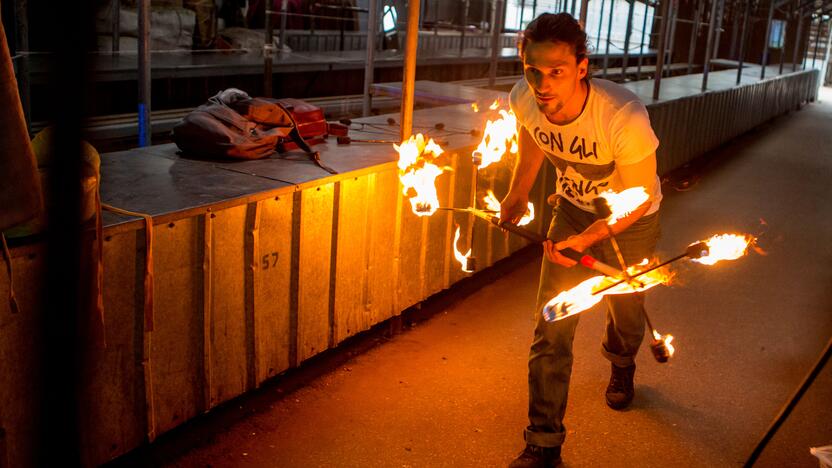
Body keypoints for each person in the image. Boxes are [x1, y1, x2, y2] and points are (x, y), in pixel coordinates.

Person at [500, 13, 663, 468]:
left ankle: (622, 360)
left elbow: (638, 196)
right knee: (551, 326)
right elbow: (533, 141)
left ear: (582, 66)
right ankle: (543, 444)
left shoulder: (622, 116)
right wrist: (517, 194)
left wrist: (591, 238)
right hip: (570, 210)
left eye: (557, 71)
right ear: (523, 63)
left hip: (633, 219)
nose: (543, 83)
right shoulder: (524, 98)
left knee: (626, 311)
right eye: (534, 70)